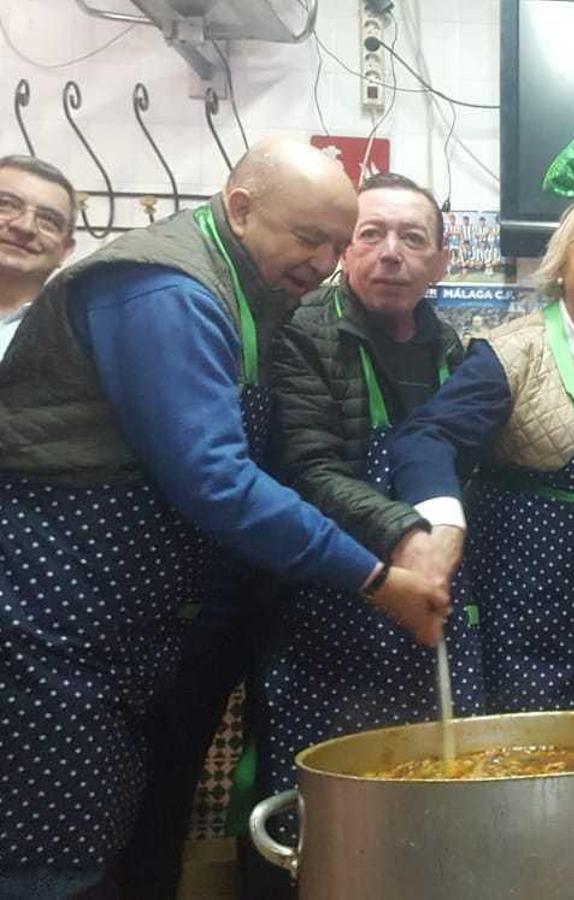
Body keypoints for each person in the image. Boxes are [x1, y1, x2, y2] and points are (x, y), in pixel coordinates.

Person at [0, 137, 450, 899]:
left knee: (130, 836)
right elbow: (216, 479)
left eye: (332, 245)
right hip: (57, 616)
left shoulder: (254, 292)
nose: (322, 260)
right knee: (52, 862)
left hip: (133, 623)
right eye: (310, 237)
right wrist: (376, 576)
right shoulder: (165, 291)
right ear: (240, 208)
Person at [247, 173, 482, 891]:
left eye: (413, 239)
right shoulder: (301, 335)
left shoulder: (459, 352)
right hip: (331, 602)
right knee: (328, 816)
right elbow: (309, 470)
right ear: (345, 250)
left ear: (442, 261)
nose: (391, 253)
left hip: (435, 598)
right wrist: (407, 534)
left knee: (438, 804)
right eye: (372, 234)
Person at [387, 133, 574, 714]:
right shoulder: (510, 352)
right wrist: (442, 526)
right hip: (527, 607)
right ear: (562, 261)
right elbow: (425, 438)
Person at [0, 155, 75, 357]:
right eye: (6, 204)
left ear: (65, 250)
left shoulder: (80, 340)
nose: (25, 227)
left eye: (48, 220)